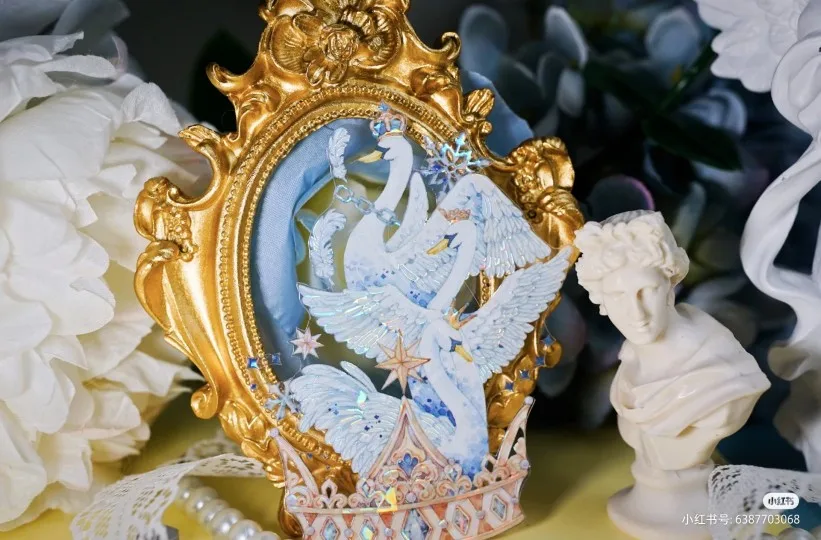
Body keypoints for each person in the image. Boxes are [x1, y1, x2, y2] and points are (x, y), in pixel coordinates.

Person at [575, 210, 771, 540]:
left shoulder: (721, 371)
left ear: (670, 285)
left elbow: (725, 405)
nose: (636, 313)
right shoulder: (630, 359)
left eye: (647, 291)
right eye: (619, 296)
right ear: (601, 301)